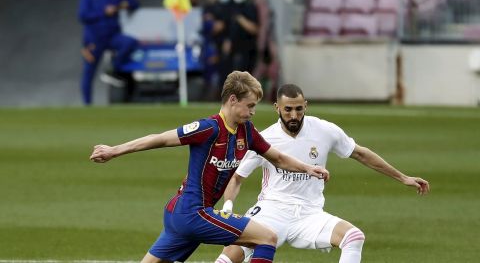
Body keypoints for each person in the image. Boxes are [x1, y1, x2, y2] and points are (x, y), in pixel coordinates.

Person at [89, 72, 330, 263]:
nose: (253, 112)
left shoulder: (246, 130)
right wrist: (114, 150)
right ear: (233, 100)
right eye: (250, 105)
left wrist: (307, 168)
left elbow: (276, 157)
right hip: (192, 214)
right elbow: (161, 138)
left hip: (181, 215)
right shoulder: (209, 128)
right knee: (267, 237)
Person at [214, 84, 430, 263]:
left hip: (309, 213)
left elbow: (360, 154)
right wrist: (228, 205)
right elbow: (237, 177)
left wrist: (403, 177)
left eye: (299, 109)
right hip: (272, 210)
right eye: (288, 109)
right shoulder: (264, 138)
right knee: (231, 254)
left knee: (354, 237)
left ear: (306, 106)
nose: (294, 115)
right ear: (276, 108)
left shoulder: (324, 130)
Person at [78, 0, 139, 105]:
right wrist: (104, 12)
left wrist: (123, 5)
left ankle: (114, 68)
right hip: (94, 39)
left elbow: (134, 3)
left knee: (129, 42)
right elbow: (83, 15)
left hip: (113, 36)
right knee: (89, 71)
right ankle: (87, 104)